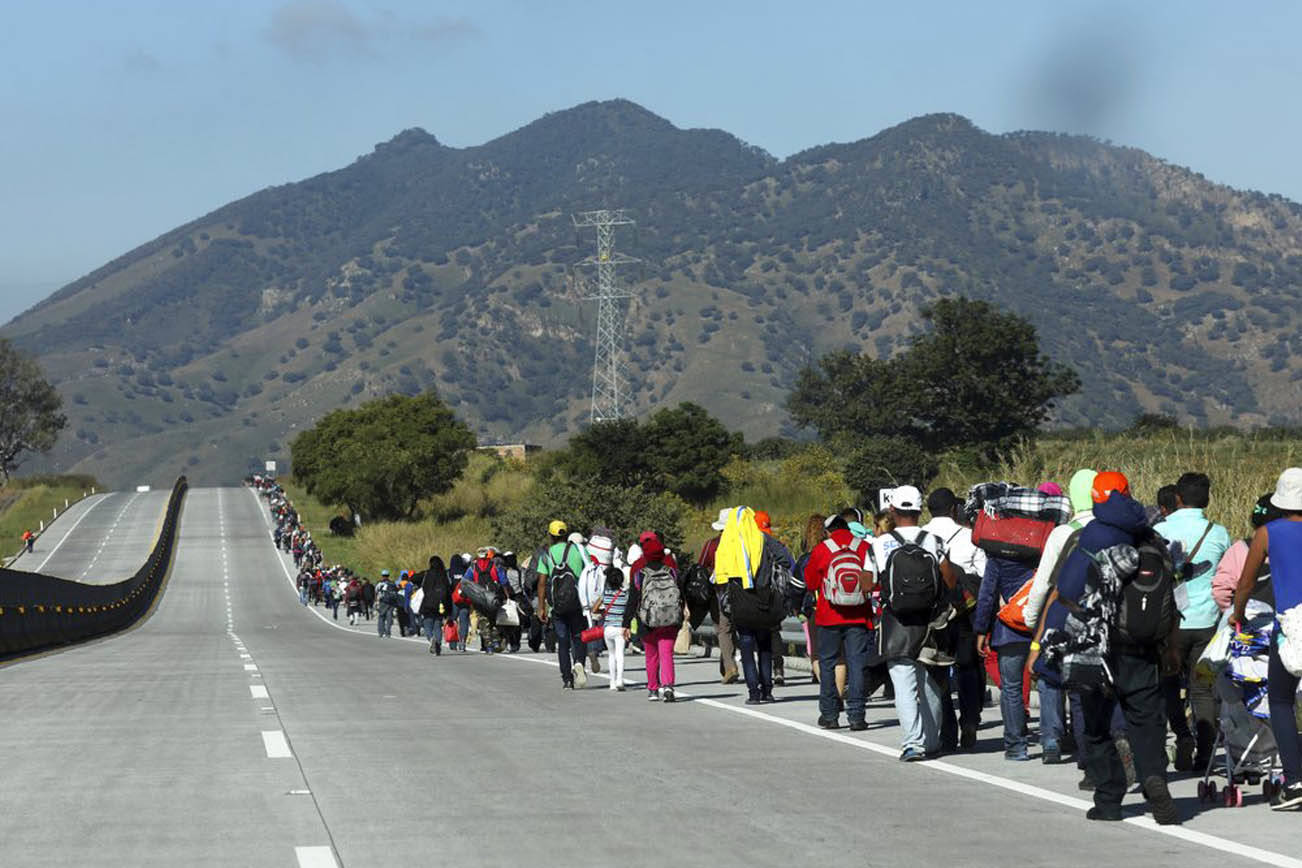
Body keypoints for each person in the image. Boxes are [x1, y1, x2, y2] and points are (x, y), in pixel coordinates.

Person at [1032, 471, 1179, 825]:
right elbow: (1172, 601)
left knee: (1096, 725)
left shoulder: (1091, 537)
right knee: (1146, 722)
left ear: (1094, 499)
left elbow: (1065, 592)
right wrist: (1170, 649)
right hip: (1143, 647)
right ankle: (1154, 777)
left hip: (1095, 649)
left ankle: (1109, 799)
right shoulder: (1150, 536)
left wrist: (1042, 644)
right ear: (1128, 493)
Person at [1230, 466, 1302, 811]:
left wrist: (1238, 612)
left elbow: (1246, 582)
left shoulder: (1268, 533)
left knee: (1281, 701)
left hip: (1290, 627)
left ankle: (1296, 780)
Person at [869, 486, 958, 762]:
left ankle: (913, 744)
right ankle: (932, 742)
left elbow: (866, 583)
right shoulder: (933, 541)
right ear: (920, 511)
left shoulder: (879, 544)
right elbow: (950, 580)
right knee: (930, 684)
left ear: (893, 511)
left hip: (896, 623)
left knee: (904, 684)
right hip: (931, 624)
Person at [1152, 471, 1230, 772]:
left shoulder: (1159, 529)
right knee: (1202, 689)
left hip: (1169, 625)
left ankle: (1182, 736)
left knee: (1168, 685)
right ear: (1207, 500)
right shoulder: (1219, 532)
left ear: (1178, 498)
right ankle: (1206, 751)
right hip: (1207, 623)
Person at [922, 487, 987, 751]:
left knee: (938, 669)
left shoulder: (921, 536)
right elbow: (983, 575)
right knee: (968, 666)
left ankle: (947, 730)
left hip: (934, 614)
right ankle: (970, 720)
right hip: (965, 612)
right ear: (953, 509)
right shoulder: (969, 536)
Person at [804, 514, 872, 730]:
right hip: (859, 614)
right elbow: (873, 580)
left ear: (827, 531)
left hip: (828, 615)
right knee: (856, 664)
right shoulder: (862, 547)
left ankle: (830, 714)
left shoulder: (823, 549)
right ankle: (857, 716)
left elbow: (811, 582)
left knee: (827, 663)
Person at [713, 506, 782, 704]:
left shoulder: (728, 543)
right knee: (765, 645)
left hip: (741, 601)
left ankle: (753, 692)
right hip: (764, 598)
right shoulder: (764, 539)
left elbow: (718, 576)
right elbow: (785, 559)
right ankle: (767, 691)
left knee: (746, 644)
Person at [625, 534, 683, 701]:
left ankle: (652, 688)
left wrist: (626, 622)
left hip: (647, 620)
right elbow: (681, 593)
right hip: (670, 618)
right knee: (666, 654)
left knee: (651, 656)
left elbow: (633, 599)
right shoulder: (671, 569)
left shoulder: (638, 570)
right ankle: (668, 686)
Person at [536, 520, 591, 689]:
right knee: (578, 636)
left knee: (563, 641)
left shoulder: (547, 555)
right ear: (566, 534)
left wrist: (541, 607)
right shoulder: (579, 551)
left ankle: (567, 679)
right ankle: (579, 662)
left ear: (551, 536)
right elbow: (589, 574)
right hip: (577, 603)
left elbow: (542, 583)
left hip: (557, 606)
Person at [1213, 493, 1281, 611]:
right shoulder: (1292, 548)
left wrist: (1233, 612)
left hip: (1247, 621)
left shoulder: (1239, 549)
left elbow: (1220, 591)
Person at [697, 509, 739, 684]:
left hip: (719, 591)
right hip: (742, 591)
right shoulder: (742, 543)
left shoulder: (712, 544)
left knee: (723, 628)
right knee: (733, 628)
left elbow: (701, 566)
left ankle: (729, 666)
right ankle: (727, 665)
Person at [754, 511, 796, 686]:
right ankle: (778, 669)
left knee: (759, 633)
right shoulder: (777, 545)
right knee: (774, 630)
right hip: (777, 593)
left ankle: (763, 675)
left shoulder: (750, 544)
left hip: (757, 593)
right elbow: (792, 567)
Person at [419, 556, 453, 655]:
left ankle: (431, 639)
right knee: (437, 625)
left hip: (428, 604)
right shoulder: (444, 575)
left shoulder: (427, 574)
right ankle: (438, 643)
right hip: (441, 605)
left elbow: (422, 585)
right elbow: (448, 591)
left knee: (427, 624)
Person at [375, 570, 399, 638]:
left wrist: (376, 602)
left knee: (381, 617)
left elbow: (376, 592)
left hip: (382, 602)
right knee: (389, 618)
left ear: (382, 576)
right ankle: (388, 633)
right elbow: (397, 591)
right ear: (388, 576)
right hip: (391, 603)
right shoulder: (392, 583)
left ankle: (381, 632)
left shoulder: (379, 584)